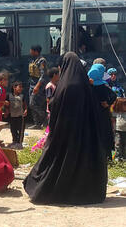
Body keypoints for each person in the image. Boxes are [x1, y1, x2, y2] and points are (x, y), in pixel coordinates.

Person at [23, 52, 108, 205]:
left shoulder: (64, 86)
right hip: (85, 134)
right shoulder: (86, 86)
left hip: (65, 131)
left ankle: (52, 190)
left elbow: (54, 106)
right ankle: (82, 193)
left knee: (57, 159)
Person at [88, 63, 116, 159]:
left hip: (92, 113)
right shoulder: (104, 85)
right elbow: (113, 95)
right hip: (103, 113)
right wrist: (108, 103)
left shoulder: (89, 86)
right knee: (104, 133)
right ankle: (106, 156)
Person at [28, 45, 48, 130]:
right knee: (33, 104)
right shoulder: (33, 60)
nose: (30, 52)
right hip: (32, 84)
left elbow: (43, 75)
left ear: (36, 51)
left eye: (31, 50)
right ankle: (37, 123)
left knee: (33, 104)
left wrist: (37, 86)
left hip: (38, 86)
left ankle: (46, 119)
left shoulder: (42, 61)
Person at [7, 81, 27, 150]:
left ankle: (20, 142)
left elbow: (24, 105)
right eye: (20, 87)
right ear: (14, 88)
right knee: (13, 129)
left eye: (22, 87)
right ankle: (14, 141)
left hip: (20, 116)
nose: (21, 88)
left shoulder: (22, 96)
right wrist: (6, 112)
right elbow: (6, 105)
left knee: (21, 130)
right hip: (12, 116)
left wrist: (25, 110)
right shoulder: (9, 96)